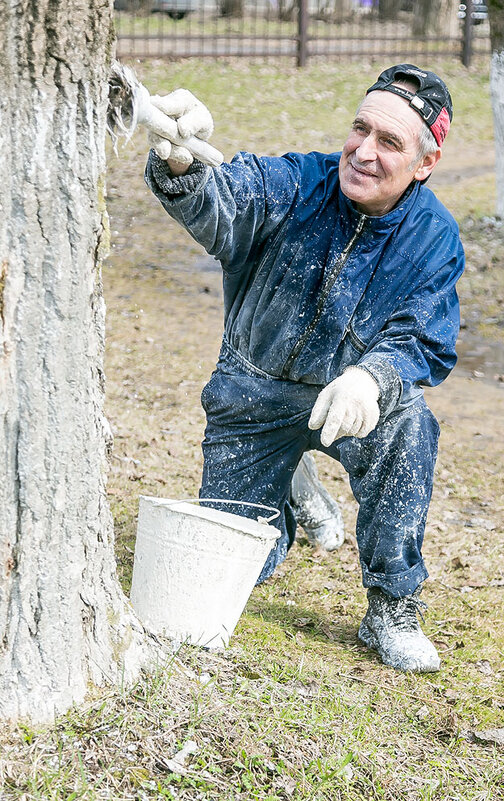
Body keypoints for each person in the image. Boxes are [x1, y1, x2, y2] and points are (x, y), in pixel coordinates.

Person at [143, 64, 465, 673]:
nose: (364, 152)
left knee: (410, 426)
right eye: (360, 129)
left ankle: (391, 607)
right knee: (236, 570)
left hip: (347, 403)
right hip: (252, 394)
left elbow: (424, 337)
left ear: (424, 164)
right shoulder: (296, 182)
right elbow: (226, 203)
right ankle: (292, 483)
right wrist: (182, 165)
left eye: (389, 142)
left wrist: (374, 376)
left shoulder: (434, 240)